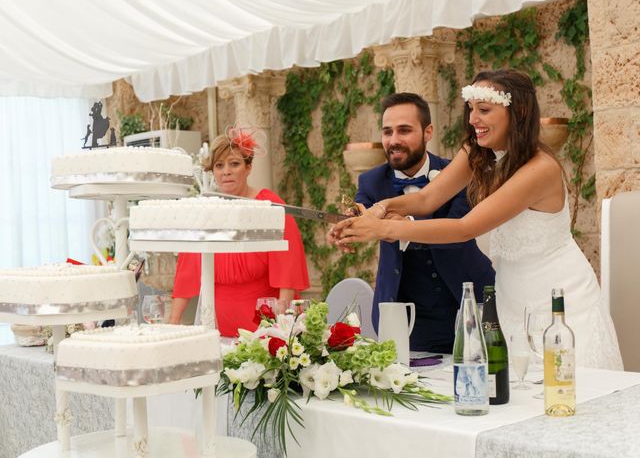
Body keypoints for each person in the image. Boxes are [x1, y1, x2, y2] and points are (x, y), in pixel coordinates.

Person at [334, 70, 623, 370]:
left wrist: (382, 228)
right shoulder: (478, 152)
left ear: (519, 111)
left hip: (557, 301)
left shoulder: (541, 169)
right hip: (511, 299)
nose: (473, 119)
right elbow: (426, 199)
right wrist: (379, 208)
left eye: (484, 110)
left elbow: (464, 228)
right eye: (471, 109)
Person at [329, 92, 495, 353]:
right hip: (404, 312)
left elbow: (456, 230)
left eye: (404, 130)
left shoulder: (458, 172)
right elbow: (362, 216)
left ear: (428, 132)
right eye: (387, 132)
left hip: (466, 301)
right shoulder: (371, 182)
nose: (394, 140)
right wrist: (344, 228)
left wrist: (399, 222)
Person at [169, 126, 310, 337]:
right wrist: (171, 326)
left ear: (248, 167)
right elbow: (186, 273)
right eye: (219, 165)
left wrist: (282, 329)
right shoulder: (206, 211)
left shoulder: (270, 206)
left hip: (263, 331)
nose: (226, 171)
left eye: (234, 164)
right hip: (215, 329)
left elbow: (287, 273)